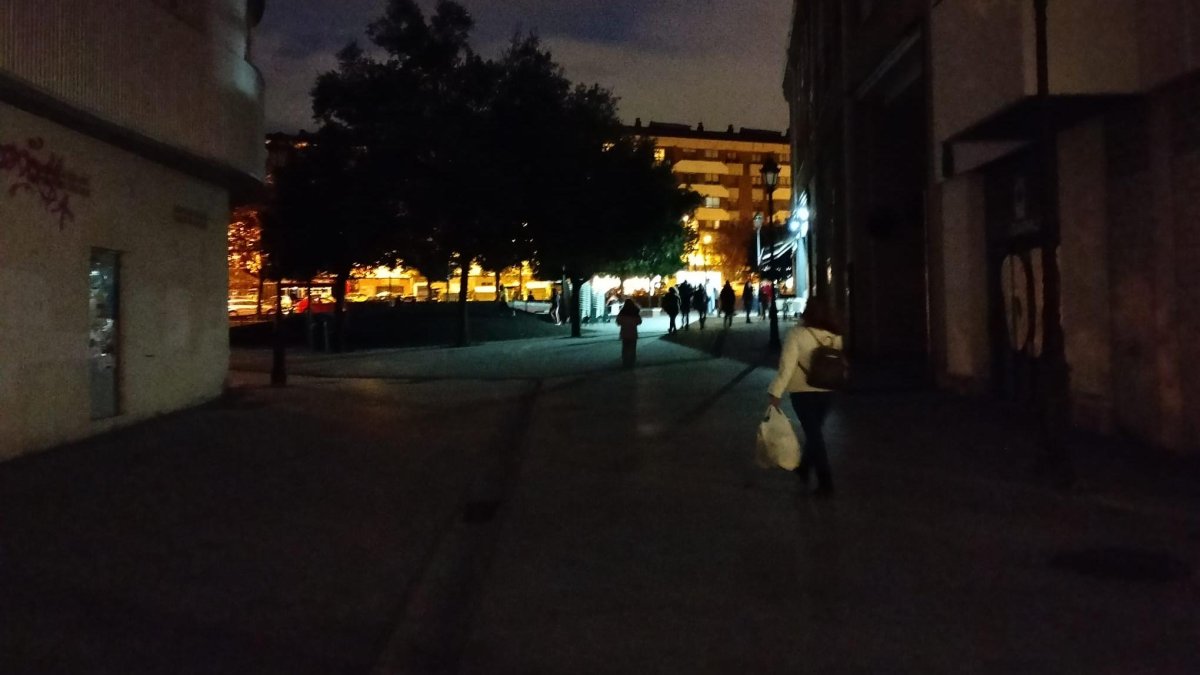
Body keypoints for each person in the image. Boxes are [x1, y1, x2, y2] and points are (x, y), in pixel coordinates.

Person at [767, 296, 843, 497]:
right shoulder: (835, 336)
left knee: (814, 435)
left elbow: (787, 367)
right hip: (828, 391)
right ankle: (804, 468)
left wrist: (775, 392)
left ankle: (826, 482)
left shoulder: (797, 334)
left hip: (803, 392)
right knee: (814, 432)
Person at [616, 299, 643, 368]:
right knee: (633, 348)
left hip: (624, 332)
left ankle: (625, 362)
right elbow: (639, 322)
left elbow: (618, 322)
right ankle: (631, 362)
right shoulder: (635, 312)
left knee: (625, 348)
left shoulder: (622, 312)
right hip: (633, 332)